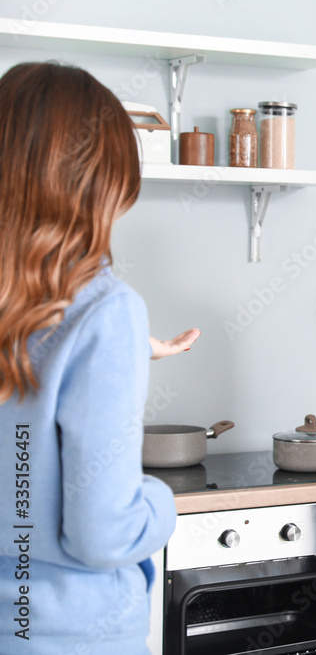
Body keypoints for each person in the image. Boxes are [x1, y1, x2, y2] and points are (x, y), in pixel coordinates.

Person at [0, 62, 197, 654]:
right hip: (65, 631)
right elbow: (103, 535)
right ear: (99, 181)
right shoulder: (105, 310)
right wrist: (162, 502)